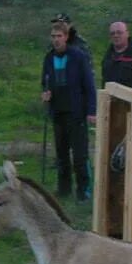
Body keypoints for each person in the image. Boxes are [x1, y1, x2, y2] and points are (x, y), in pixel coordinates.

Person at [42, 21, 97, 202]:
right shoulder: (49, 58)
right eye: (53, 37)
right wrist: (46, 93)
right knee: (61, 154)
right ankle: (64, 189)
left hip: (76, 112)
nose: (56, 40)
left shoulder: (78, 56)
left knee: (80, 155)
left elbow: (89, 85)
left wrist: (91, 111)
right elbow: (45, 81)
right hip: (57, 112)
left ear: (66, 37)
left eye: (59, 36)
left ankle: (84, 190)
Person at [101, 21, 132, 88]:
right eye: (112, 33)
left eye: (119, 32)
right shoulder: (108, 57)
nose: (116, 35)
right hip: (110, 97)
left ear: (127, 33)